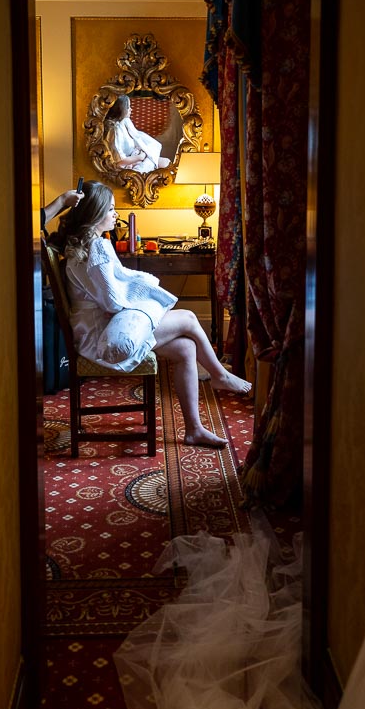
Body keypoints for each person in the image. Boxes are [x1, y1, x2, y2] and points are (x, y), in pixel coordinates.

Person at [56, 180, 250, 447]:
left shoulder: (82, 245)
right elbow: (113, 301)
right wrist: (143, 291)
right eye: (111, 209)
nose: (115, 215)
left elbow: (111, 290)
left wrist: (138, 285)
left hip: (92, 332)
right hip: (102, 337)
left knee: (185, 349)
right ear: (96, 212)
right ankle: (220, 375)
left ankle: (194, 429)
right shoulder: (97, 247)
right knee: (189, 319)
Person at [105, 94, 170, 173]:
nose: (131, 109)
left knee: (166, 163)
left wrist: (141, 152)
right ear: (120, 109)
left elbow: (137, 137)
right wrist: (140, 157)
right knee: (164, 167)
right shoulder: (113, 131)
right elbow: (119, 161)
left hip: (135, 155)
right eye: (128, 107)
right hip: (125, 166)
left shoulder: (125, 120)